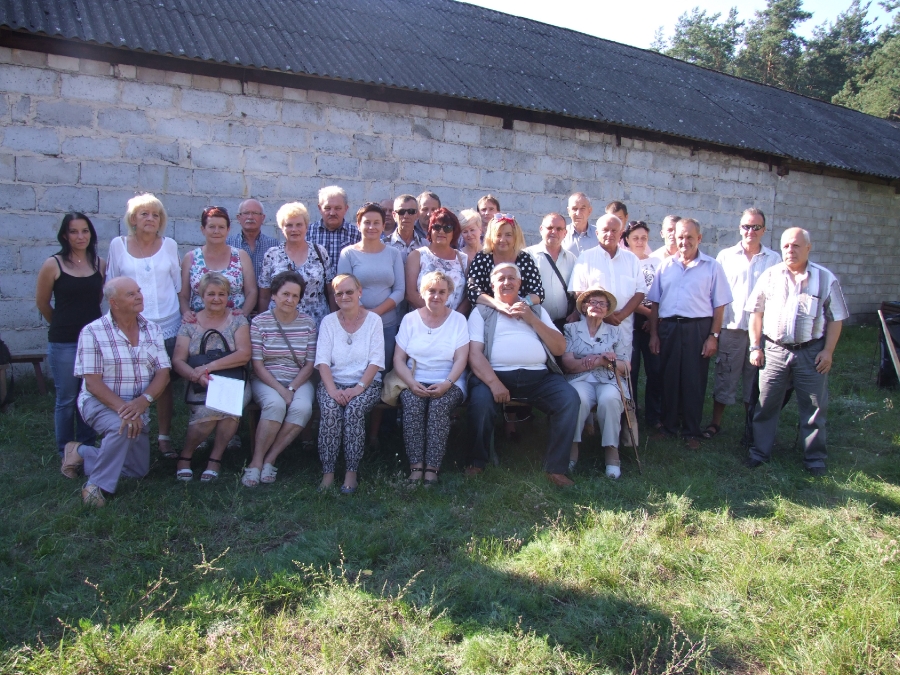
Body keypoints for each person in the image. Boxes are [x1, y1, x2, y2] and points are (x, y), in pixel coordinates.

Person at [745, 228, 849, 475]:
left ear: (808, 248)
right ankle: (759, 451)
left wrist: (828, 351)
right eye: (785, 246)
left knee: (814, 408)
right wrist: (755, 346)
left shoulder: (825, 279)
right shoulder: (770, 276)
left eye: (796, 245)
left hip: (811, 352)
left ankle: (814, 458)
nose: (790, 250)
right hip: (774, 351)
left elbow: (836, 318)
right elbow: (756, 314)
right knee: (766, 404)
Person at [465, 263, 580, 486]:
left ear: (519, 283)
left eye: (511, 278)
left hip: (539, 377)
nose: (506, 282)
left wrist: (531, 319)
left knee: (569, 399)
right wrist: (494, 383)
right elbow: (475, 354)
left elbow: (559, 348)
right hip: (495, 376)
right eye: (501, 279)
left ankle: (556, 469)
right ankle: (477, 461)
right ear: (492, 285)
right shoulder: (481, 312)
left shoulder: (537, 311)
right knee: (480, 401)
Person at [61, 278, 170, 506]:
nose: (139, 296)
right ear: (114, 302)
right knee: (123, 426)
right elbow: (93, 383)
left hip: (138, 405)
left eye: (138, 291)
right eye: (131, 294)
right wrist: (126, 410)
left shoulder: (153, 329)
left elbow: (163, 373)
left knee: (136, 471)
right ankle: (95, 487)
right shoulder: (92, 332)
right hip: (99, 402)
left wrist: (143, 401)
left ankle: (81, 452)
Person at [106, 193, 181, 459]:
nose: (151, 219)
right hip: (131, 325)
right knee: (128, 381)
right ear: (133, 219)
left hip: (167, 324)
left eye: (156, 215)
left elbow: (178, 285)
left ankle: (164, 438)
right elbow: (111, 284)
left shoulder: (169, 245)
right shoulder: (118, 245)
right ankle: (129, 434)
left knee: (164, 381)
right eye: (144, 214)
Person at [648, 218, 732, 449]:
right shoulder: (665, 266)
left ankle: (691, 430)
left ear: (699, 238)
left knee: (693, 379)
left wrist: (713, 336)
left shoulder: (712, 267)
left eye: (689, 237)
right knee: (668, 377)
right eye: (680, 237)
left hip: (698, 328)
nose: (684, 241)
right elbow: (655, 303)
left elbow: (719, 306)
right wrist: (654, 334)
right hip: (669, 328)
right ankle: (668, 426)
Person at [703, 208, 781, 439]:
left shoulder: (774, 259)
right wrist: (714, 332)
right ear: (740, 228)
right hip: (732, 327)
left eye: (756, 227)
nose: (751, 231)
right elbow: (715, 294)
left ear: (764, 230)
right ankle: (715, 423)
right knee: (725, 375)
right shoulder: (726, 257)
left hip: (762, 331)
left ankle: (751, 427)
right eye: (747, 226)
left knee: (755, 379)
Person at [36, 213, 106, 456]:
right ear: (65, 236)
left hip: (93, 342)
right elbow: (42, 302)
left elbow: (97, 298)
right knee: (66, 399)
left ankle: (86, 448)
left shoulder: (99, 264)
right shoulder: (53, 264)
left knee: (89, 394)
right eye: (74, 231)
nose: (80, 236)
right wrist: (61, 324)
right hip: (64, 342)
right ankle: (65, 451)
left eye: (85, 231)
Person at [170, 273, 251, 482]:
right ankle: (186, 456)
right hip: (199, 382)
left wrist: (207, 368)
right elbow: (178, 360)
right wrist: (196, 376)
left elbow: (244, 354)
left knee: (229, 408)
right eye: (211, 294)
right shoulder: (190, 323)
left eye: (221, 294)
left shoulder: (238, 320)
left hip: (233, 380)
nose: (216, 298)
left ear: (228, 296)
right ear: (201, 296)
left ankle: (215, 458)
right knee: (208, 411)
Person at [393, 271, 469, 485]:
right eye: (431, 291)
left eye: (442, 292)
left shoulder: (458, 320)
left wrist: (446, 384)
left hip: (450, 380)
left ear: (449, 294)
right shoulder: (410, 319)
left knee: (439, 406)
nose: (436, 296)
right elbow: (398, 358)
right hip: (413, 379)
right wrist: (411, 383)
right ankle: (416, 466)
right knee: (412, 403)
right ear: (422, 292)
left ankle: (432, 469)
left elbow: (461, 359)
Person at [245, 271, 317, 486]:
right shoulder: (259, 322)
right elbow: (257, 365)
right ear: (274, 295)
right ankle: (256, 462)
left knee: (302, 408)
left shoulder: (308, 323)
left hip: (299, 379)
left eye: (295, 296)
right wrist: (281, 389)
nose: (290, 300)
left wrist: (292, 388)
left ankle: (271, 458)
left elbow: (309, 365)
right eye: (285, 294)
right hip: (266, 378)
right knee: (275, 405)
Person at [315, 274, 385, 494]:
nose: (344, 296)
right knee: (330, 409)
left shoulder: (374, 320)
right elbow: (322, 361)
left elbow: (376, 361)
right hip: (333, 382)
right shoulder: (328, 322)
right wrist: (333, 390)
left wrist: (358, 388)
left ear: (359, 292)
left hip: (366, 384)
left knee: (354, 410)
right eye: (339, 293)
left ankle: (351, 472)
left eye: (349, 292)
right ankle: (328, 473)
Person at [562, 288, 628, 478]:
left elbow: (626, 366)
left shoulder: (616, 332)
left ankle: (611, 453)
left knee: (609, 399)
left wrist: (607, 362)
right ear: (584, 307)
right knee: (578, 398)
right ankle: (572, 449)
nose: (597, 306)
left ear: (607, 310)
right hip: (579, 378)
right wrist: (599, 360)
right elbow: (568, 364)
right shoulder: (570, 329)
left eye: (602, 304)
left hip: (608, 380)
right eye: (593, 302)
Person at [337, 202, 406, 369]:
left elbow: (399, 290)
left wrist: (375, 314)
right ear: (358, 225)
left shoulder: (393, 253)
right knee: (356, 370)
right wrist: (363, 314)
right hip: (355, 324)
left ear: (383, 225)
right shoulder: (348, 254)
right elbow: (343, 288)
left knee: (383, 371)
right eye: (367, 222)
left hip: (387, 326)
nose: (371, 227)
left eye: (376, 223)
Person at [568, 213, 647, 356]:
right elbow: (578, 292)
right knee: (592, 366)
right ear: (597, 233)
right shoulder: (586, 258)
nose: (609, 234)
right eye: (605, 230)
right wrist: (605, 315)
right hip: (592, 330)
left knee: (621, 367)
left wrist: (622, 315)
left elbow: (640, 291)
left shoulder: (631, 259)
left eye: (614, 230)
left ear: (621, 234)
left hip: (623, 328)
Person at [257, 202, 332, 326]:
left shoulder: (319, 252)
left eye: (299, 225)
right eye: (289, 225)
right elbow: (264, 296)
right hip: (279, 323)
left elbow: (330, 291)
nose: (294, 229)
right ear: (282, 228)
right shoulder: (272, 254)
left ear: (306, 227)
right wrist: (262, 324)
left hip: (315, 322)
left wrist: (333, 322)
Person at [180, 206, 257, 319]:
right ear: (203, 229)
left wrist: (243, 313)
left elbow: (252, 291)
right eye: (212, 227)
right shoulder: (190, 258)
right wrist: (186, 313)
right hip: (199, 321)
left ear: (228, 229)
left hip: (234, 322)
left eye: (221, 227)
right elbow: (183, 296)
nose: (216, 231)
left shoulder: (241, 256)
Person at [622, 220, 662, 430]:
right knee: (632, 369)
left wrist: (653, 318)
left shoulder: (657, 262)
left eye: (643, 238)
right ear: (627, 240)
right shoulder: (624, 262)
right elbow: (626, 296)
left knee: (655, 369)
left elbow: (661, 293)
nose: (640, 242)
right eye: (635, 238)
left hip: (654, 323)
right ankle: (632, 415)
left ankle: (654, 415)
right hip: (631, 320)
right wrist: (647, 314)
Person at [466, 213, 544, 310]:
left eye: (508, 235)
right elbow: (472, 290)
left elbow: (538, 292)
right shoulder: (482, 258)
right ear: (491, 237)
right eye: (498, 235)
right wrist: (498, 305)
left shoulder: (525, 259)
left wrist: (521, 304)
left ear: (515, 237)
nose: (502, 240)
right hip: (488, 312)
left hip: (520, 312)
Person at [406, 208, 470, 313]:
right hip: (423, 318)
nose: (441, 231)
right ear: (430, 230)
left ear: (454, 232)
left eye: (447, 228)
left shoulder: (464, 260)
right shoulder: (417, 256)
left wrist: (452, 318)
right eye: (437, 227)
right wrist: (437, 315)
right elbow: (410, 294)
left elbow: (468, 296)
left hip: (454, 320)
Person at [525, 213, 576, 330]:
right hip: (535, 323)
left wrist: (576, 313)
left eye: (559, 229)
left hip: (564, 324)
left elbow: (577, 291)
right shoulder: (527, 255)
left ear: (565, 233)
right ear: (541, 229)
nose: (554, 232)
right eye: (550, 228)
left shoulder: (572, 259)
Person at [306, 185, 361, 277]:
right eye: (327, 208)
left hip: (347, 285)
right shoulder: (307, 233)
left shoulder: (357, 234)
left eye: (338, 208)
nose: (332, 213)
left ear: (346, 209)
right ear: (320, 208)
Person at [226, 198, 278, 283]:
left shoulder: (274, 245)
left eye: (255, 213)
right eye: (246, 213)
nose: (250, 217)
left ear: (263, 218)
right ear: (238, 218)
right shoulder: (228, 244)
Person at [386, 193, 428, 264]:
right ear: (394, 215)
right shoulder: (383, 246)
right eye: (401, 212)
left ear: (417, 215)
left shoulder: (426, 246)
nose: (406, 216)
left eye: (411, 211)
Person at [561, 192, 596, 257]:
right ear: (569, 211)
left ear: (589, 211)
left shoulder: (599, 234)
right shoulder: (560, 233)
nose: (578, 213)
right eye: (574, 209)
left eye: (582, 209)